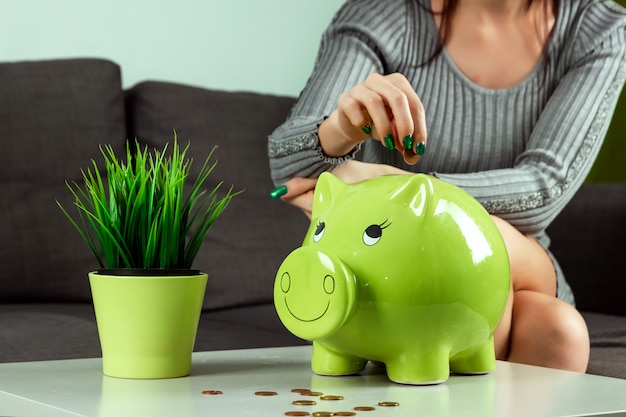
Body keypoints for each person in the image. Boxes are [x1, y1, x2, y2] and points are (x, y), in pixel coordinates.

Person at [267, 0, 626, 372]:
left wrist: (391, 183)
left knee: (496, 261)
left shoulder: (598, 29)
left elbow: (543, 189)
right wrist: (342, 127)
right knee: (557, 327)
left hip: (518, 264)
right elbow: (290, 169)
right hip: (387, 277)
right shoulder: (385, 13)